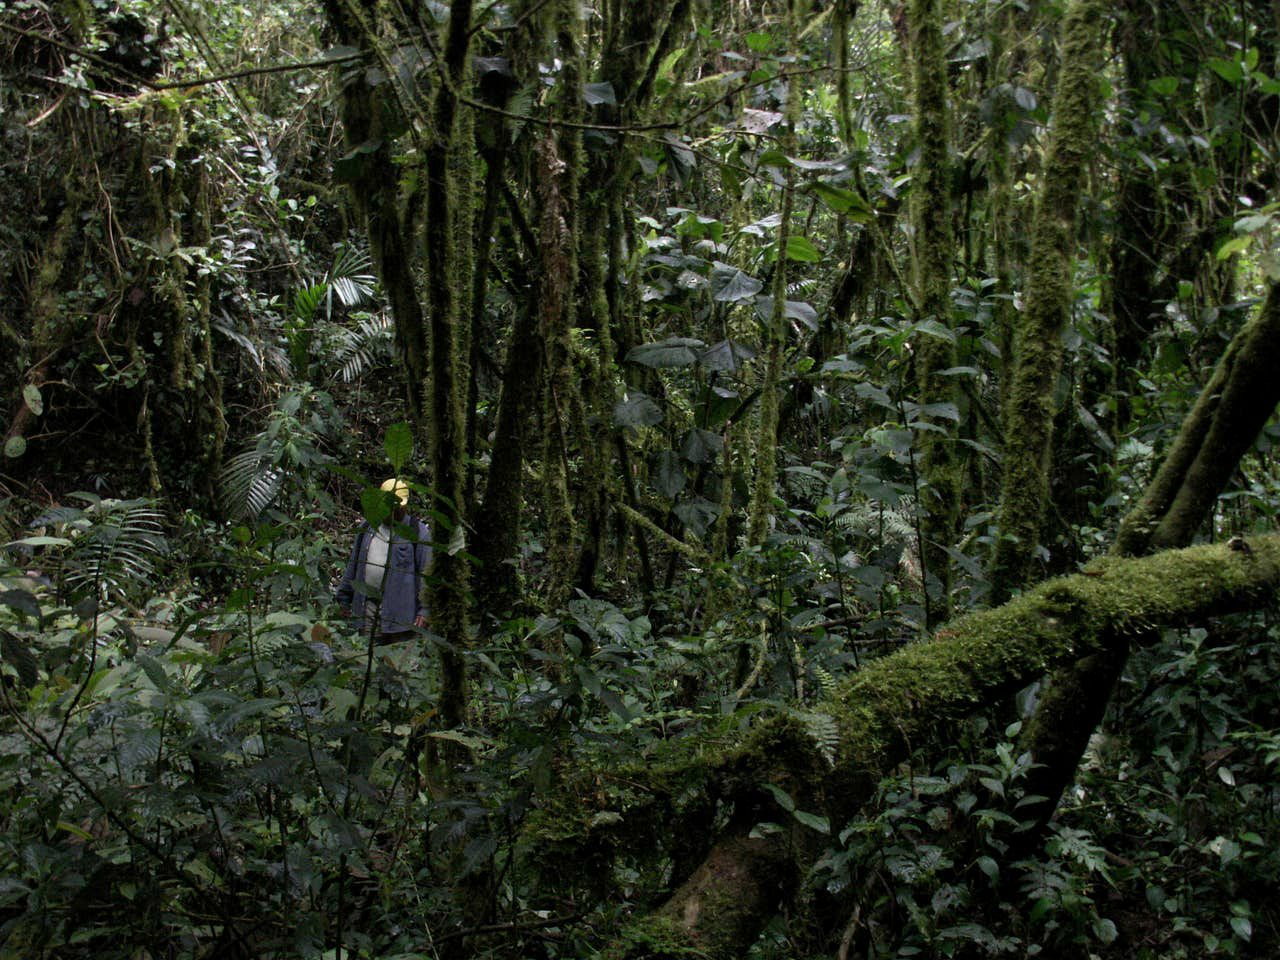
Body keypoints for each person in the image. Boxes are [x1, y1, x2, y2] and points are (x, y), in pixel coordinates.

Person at [336, 478, 432, 640]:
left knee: (395, 659)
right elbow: (354, 565)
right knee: (366, 653)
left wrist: (425, 610)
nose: (393, 510)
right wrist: (344, 597)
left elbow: (426, 573)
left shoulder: (417, 532)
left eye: (398, 506)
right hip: (367, 607)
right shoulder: (368, 527)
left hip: (401, 614)